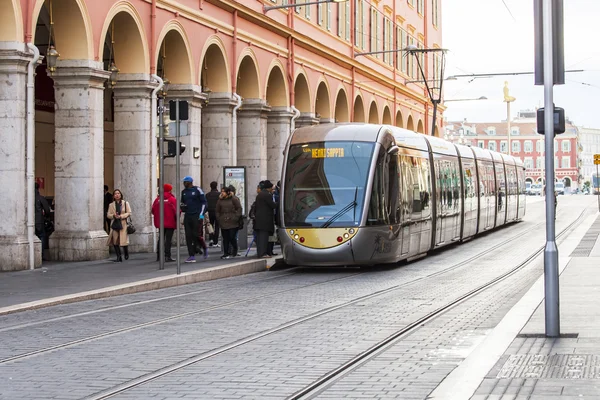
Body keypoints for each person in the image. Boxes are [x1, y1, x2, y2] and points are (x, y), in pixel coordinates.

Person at [181, 176, 207, 263]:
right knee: (188, 236)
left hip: (197, 215)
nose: (184, 183)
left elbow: (204, 202)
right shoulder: (183, 192)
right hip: (188, 216)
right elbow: (183, 203)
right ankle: (191, 255)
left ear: (190, 182)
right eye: (184, 182)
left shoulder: (197, 190)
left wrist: (201, 215)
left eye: (185, 182)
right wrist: (182, 208)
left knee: (196, 235)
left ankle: (203, 247)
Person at [151, 183, 177, 262]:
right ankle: (167, 256)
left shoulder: (157, 199)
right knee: (168, 240)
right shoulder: (172, 199)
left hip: (160, 223)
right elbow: (177, 211)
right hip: (170, 222)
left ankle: (159, 256)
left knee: (161, 238)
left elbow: (153, 210)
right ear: (169, 190)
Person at [216, 186, 242, 259]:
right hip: (223, 220)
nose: (222, 193)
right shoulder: (220, 200)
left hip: (233, 221)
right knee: (225, 238)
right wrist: (218, 218)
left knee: (232, 237)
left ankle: (235, 248)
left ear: (227, 192)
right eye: (221, 191)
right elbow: (217, 210)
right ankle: (226, 253)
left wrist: (236, 217)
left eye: (223, 191)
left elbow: (239, 208)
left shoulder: (234, 199)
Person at [106, 189, 131, 262]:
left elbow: (129, 213)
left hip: (123, 223)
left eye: (118, 193)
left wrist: (121, 216)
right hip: (115, 224)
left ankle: (126, 252)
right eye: (115, 194)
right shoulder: (111, 205)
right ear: (113, 196)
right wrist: (113, 216)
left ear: (120, 195)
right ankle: (119, 256)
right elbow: (108, 215)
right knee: (115, 240)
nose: (117, 195)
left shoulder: (125, 203)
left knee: (123, 241)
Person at [254, 180, 277, 258]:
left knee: (260, 238)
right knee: (264, 238)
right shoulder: (267, 195)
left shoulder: (260, 194)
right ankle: (263, 253)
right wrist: (279, 203)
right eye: (271, 188)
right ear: (269, 188)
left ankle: (261, 252)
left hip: (259, 220)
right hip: (265, 220)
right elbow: (273, 205)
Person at [34, 183, 51, 260]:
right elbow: (47, 209)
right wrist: (47, 216)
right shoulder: (40, 198)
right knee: (41, 236)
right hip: (39, 220)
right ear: (38, 189)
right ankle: (41, 254)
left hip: (30, 221)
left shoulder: (28, 198)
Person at [206, 181, 220, 247]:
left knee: (210, 225)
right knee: (217, 226)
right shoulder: (219, 194)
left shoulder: (207, 195)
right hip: (217, 212)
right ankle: (215, 241)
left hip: (210, 211)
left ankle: (211, 238)